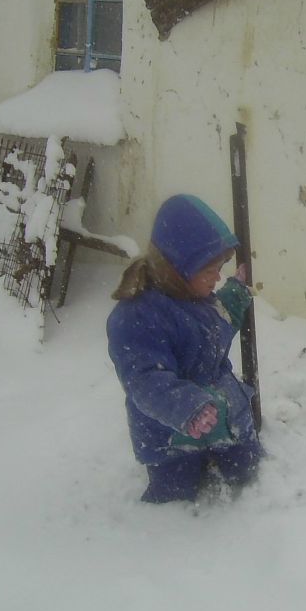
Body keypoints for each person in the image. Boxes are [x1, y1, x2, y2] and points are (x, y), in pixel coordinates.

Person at [106, 194, 262, 503]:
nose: (217, 277)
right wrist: (187, 408)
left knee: (248, 470)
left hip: (223, 415)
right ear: (178, 268)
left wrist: (235, 293)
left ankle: (232, 460)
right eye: (210, 270)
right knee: (176, 490)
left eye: (220, 268)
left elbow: (217, 327)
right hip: (171, 432)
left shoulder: (195, 298)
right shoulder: (138, 317)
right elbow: (145, 379)